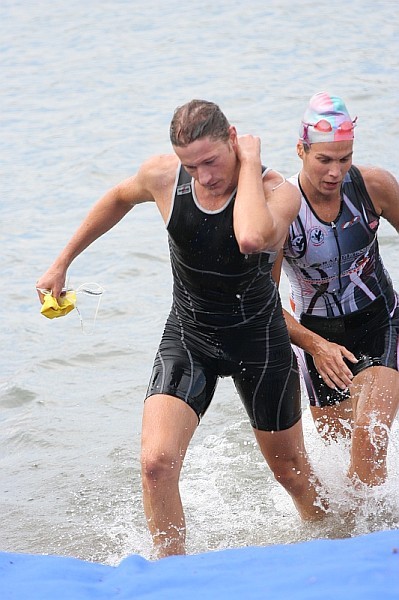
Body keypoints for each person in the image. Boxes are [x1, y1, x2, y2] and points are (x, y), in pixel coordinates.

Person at [36, 99, 325, 558]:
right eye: (191, 166)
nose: (204, 176)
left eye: (211, 161)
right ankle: (172, 574)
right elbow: (116, 198)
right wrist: (61, 263)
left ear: (234, 139)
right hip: (191, 335)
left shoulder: (278, 192)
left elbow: (251, 237)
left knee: (290, 471)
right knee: (156, 464)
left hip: (260, 343)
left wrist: (249, 163)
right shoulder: (165, 178)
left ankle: (337, 540)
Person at [273, 91, 399, 487]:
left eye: (344, 159)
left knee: (371, 436)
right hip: (316, 336)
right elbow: (263, 302)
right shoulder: (281, 209)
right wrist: (315, 346)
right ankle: (347, 540)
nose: (335, 172)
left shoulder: (373, 186)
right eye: (324, 159)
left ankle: (380, 542)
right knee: (337, 470)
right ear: (301, 150)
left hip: (379, 320)